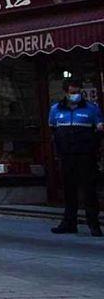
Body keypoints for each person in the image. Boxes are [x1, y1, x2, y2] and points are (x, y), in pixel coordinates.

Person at [49, 77, 103, 236]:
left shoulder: (91, 109)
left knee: (89, 191)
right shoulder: (56, 110)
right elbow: (53, 131)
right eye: (73, 92)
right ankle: (69, 223)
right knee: (69, 191)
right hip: (66, 156)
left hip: (86, 156)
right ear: (66, 92)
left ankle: (94, 224)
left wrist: (94, 148)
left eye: (78, 92)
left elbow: (99, 131)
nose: (76, 95)